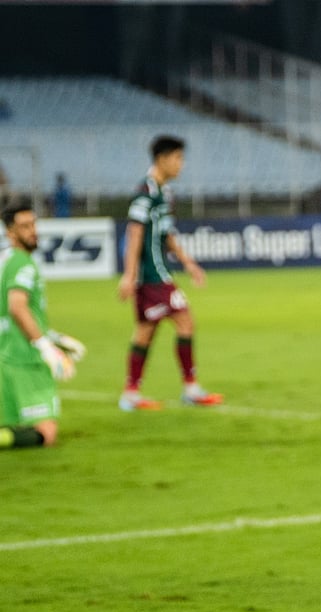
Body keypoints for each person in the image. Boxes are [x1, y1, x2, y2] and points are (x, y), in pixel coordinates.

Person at [116, 135, 222, 411]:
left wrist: (188, 263)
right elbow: (134, 231)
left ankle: (131, 393)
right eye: (178, 158)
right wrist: (128, 275)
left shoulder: (165, 192)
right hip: (151, 276)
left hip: (157, 274)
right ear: (162, 159)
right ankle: (190, 388)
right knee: (184, 322)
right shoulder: (146, 192)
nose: (181, 165)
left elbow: (167, 234)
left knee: (146, 330)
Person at [1, 203, 86, 449]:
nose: (32, 231)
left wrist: (53, 336)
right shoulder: (23, 264)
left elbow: (6, 312)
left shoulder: (6, 260)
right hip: (26, 359)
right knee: (46, 432)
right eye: (24, 227)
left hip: (7, 354)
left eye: (33, 224)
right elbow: (17, 307)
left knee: (12, 425)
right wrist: (45, 347)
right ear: (10, 233)